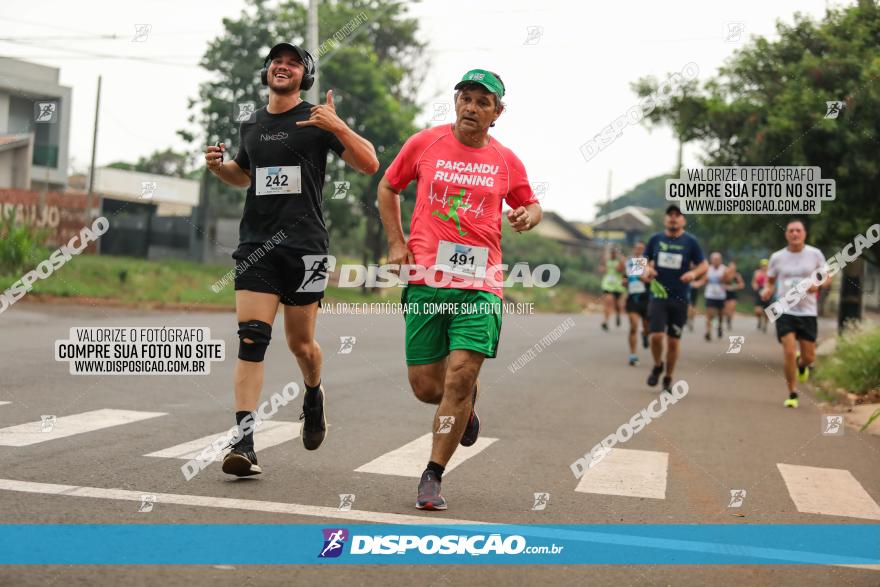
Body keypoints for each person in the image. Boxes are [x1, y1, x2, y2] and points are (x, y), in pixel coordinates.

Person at [204, 42, 379, 476]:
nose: (283, 67)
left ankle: (314, 394)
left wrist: (339, 126)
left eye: (293, 64)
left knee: (301, 344)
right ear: (266, 71)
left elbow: (370, 163)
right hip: (256, 246)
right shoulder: (252, 123)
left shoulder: (317, 121)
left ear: (306, 76)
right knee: (251, 338)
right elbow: (243, 176)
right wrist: (219, 167)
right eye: (277, 62)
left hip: (308, 248)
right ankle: (244, 443)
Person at [377, 69, 542, 510]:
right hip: (428, 281)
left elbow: (529, 201)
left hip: (480, 285)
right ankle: (466, 407)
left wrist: (530, 215)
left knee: (461, 376)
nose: (471, 107)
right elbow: (388, 186)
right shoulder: (424, 143)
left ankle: (432, 475)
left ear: (497, 113)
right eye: (465, 98)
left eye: (482, 102)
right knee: (427, 388)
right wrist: (396, 242)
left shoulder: (506, 160)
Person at [761, 219, 831, 408]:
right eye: (791, 230)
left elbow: (827, 278)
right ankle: (792, 393)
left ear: (804, 234)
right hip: (785, 309)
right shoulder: (777, 257)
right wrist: (767, 289)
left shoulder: (815, 254)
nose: (794, 234)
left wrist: (817, 286)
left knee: (809, 357)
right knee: (789, 352)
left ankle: (802, 365)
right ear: (786, 234)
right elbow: (770, 279)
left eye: (798, 231)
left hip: (808, 312)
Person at [643, 205, 708, 393]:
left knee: (673, 341)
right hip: (658, 295)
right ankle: (657, 365)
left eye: (677, 215)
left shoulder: (691, 242)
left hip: (680, 297)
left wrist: (693, 274)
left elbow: (704, 265)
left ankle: (668, 377)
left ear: (683, 220)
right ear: (665, 219)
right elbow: (640, 262)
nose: (673, 218)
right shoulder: (655, 239)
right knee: (655, 336)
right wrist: (647, 270)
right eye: (670, 215)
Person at [624, 242, 651, 365]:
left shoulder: (648, 262)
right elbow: (625, 277)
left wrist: (646, 278)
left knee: (647, 327)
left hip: (646, 298)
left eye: (641, 249)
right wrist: (623, 281)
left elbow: (651, 278)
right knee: (633, 325)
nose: (638, 250)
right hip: (633, 298)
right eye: (636, 248)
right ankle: (633, 355)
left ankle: (645, 335)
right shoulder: (628, 262)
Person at [600, 246, 626, 331]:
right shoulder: (606, 260)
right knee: (608, 303)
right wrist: (603, 268)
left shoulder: (620, 261)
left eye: (614, 252)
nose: (613, 254)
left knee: (618, 305)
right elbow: (602, 269)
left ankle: (618, 314)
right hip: (607, 285)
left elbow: (620, 270)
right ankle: (605, 321)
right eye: (611, 252)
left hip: (618, 286)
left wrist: (621, 262)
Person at [703, 252, 727, 341]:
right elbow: (704, 280)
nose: (715, 261)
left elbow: (728, 280)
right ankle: (708, 332)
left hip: (721, 296)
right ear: (711, 260)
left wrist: (724, 277)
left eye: (717, 259)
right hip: (710, 295)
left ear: (720, 260)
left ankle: (719, 327)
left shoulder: (724, 269)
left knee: (720, 315)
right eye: (714, 259)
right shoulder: (708, 269)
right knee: (710, 315)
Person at [723, 261, 745, 331]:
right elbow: (720, 283)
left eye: (733, 268)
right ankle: (727, 319)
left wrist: (735, 286)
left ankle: (729, 321)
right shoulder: (725, 274)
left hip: (733, 294)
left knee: (731, 308)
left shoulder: (737, 275)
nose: (732, 269)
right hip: (725, 293)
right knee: (726, 310)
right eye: (731, 268)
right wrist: (726, 286)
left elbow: (742, 285)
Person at [751, 259, 771, 332]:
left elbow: (773, 283)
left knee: (767, 311)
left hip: (767, 292)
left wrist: (771, 291)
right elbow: (753, 282)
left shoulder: (770, 273)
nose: (764, 267)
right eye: (763, 266)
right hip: (759, 291)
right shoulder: (757, 273)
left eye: (765, 266)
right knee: (758, 311)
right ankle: (759, 320)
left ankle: (765, 325)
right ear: (760, 266)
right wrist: (755, 286)